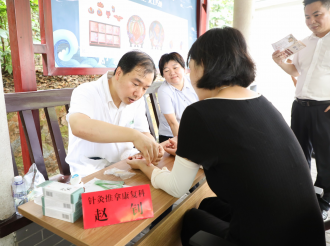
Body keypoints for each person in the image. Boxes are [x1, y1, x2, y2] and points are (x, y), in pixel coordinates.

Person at [126, 27, 325, 246]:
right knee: (207, 205)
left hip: (265, 238)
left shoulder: (199, 113)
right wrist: (190, 151)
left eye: (189, 68)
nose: (189, 75)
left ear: (204, 67)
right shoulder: (262, 101)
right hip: (307, 234)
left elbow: (176, 187)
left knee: (191, 218)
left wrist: (146, 167)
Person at [272, 0, 330, 220]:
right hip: (300, 106)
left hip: (325, 108)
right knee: (297, 152)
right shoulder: (302, 43)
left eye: (317, 15)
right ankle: (301, 193)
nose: (311, 21)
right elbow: (294, 69)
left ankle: (324, 202)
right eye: (307, 16)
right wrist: (279, 62)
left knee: (326, 158)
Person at [65, 51, 163, 177]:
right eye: (135, 84)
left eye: (144, 88)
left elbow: (142, 132)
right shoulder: (87, 91)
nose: (138, 93)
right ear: (118, 73)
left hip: (125, 165)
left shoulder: (136, 101)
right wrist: (134, 136)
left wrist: (152, 146)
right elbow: (79, 127)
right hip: (90, 170)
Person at [157, 52, 198, 142]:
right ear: (163, 75)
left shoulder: (193, 82)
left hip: (194, 132)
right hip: (171, 136)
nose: (172, 73)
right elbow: (172, 123)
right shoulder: (163, 91)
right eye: (167, 71)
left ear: (184, 69)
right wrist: (183, 145)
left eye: (175, 68)